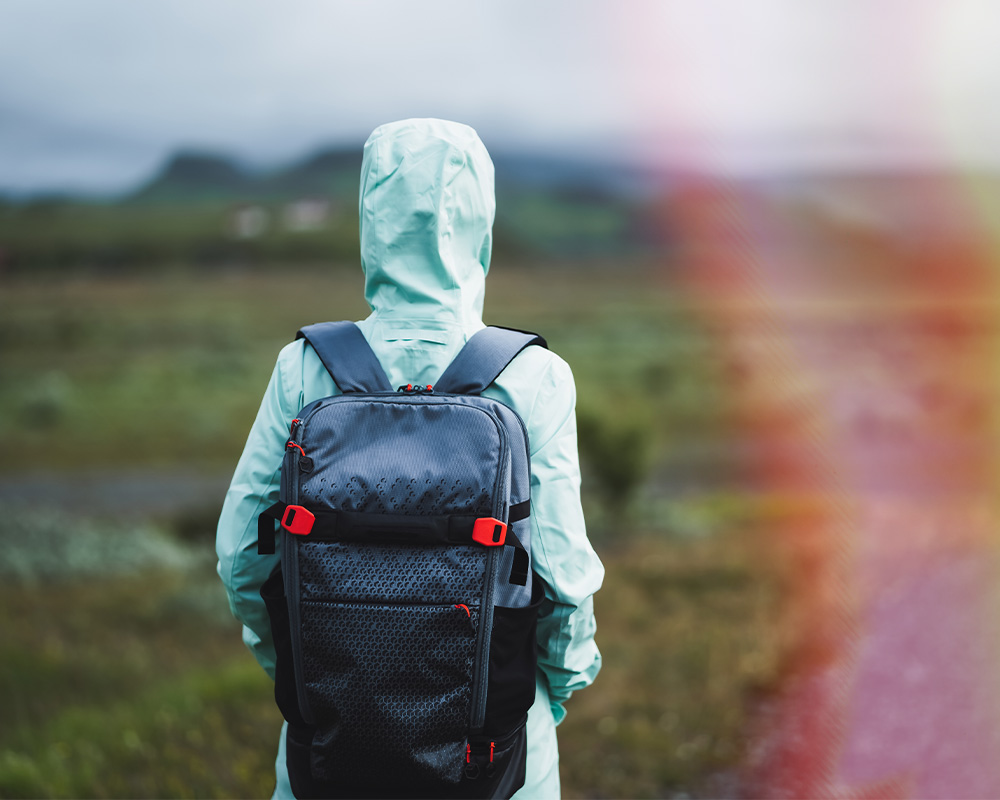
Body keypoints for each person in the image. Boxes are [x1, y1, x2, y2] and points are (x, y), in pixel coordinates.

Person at [216, 118, 604, 799]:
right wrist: (552, 691)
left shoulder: (304, 370)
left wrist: (310, 676)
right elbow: (563, 581)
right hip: (498, 755)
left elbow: (242, 559)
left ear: (372, 219)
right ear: (478, 221)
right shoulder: (534, 378)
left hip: (327, 752)